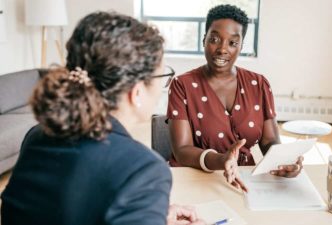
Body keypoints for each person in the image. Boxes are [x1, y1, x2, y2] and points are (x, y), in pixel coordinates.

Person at [1, 11, 204, 225]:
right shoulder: (142, 170)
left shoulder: (38, 135)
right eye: (162, 77)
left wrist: (147, 212)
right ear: (136, 93)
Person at [167, 5, 303, 192]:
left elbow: (269, 140)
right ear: (203, 40)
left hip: (244, 178)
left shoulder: (259, 84)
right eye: (214, 39)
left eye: (232, 43)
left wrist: (284, 161)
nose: (222, 49)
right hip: (194, 178)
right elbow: (182, 150)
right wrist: (222, 160)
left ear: (240, 46)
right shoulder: (182, 85)